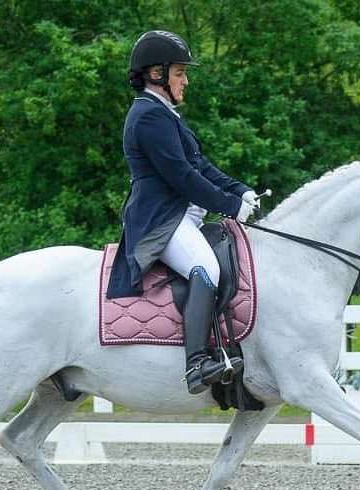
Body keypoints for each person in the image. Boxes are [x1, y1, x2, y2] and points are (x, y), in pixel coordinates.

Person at [107, 30, 259, 395]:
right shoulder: (147, 117)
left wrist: (240, 190)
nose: (186, 80)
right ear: (156, 74)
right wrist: (230, 206)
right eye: (179, 72)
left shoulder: (165, 115)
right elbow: (182, 177)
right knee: (204, 268)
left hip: (182, 217)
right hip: (161, 221)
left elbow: (200, 164)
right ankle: (196, 364)